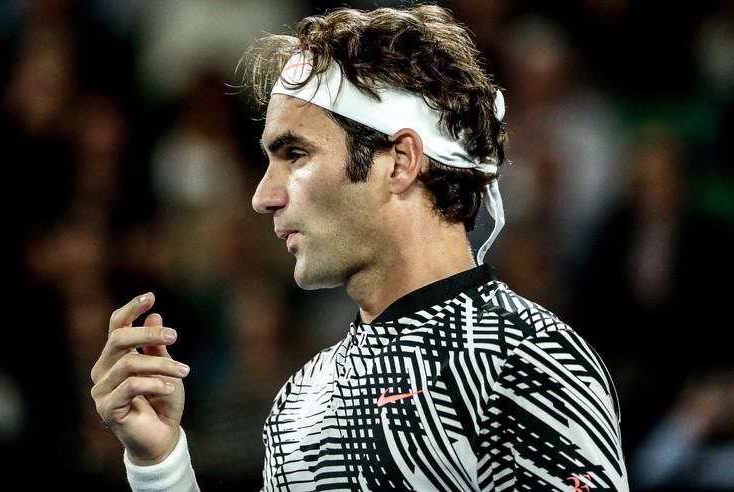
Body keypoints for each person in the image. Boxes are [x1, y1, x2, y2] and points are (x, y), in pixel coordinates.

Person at [90, 5, 629, 491]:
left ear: (399, 161)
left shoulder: (528, 359)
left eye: (295, 154)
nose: (262, 196)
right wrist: (160, 464)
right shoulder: (298, 399)